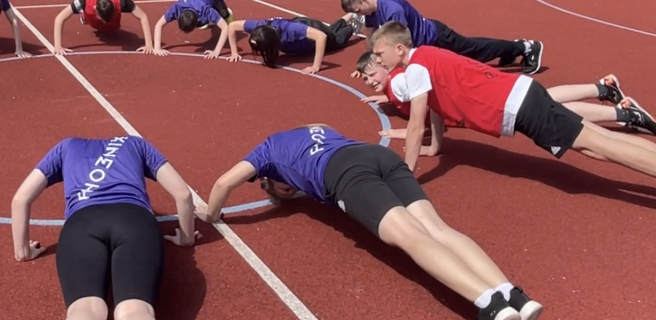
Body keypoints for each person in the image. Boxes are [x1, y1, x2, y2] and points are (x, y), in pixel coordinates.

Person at [369, 21, 656, 232]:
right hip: (521, 97)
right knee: (600, 142)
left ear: (399, 50)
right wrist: (437, 148)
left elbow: (416, 126)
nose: (379, 60)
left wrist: (407, 174)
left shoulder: (414, 69)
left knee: (600, 146)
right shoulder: (426, 59)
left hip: (519, 106)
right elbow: (434, 106)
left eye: (381, 54)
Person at [201, 124, 541, 320]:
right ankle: (513, 295)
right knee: (437, 228)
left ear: (270, 180)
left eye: (280, 191)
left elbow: (223, 183)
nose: (287, 192)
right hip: (376, 155)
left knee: (410, 237)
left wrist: (211, 215)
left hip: (344, 173)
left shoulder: (265, 153)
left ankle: (491, 304)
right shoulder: (311, 128)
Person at [11, 136, 200, 320]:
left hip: (82, 224)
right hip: (135, 221)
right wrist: (186, 237)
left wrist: (23, 250)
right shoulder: (136, 143)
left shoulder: (65, 147)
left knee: (84, 308)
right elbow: (183, 194)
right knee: (134, 310)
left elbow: (21, 199)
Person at [353, 52, 656, 155]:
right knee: (550, 98)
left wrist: (408, 135)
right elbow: (411, 95)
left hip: (493, 100)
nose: (369, 80)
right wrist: (383, 90)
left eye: (372, 71)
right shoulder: (397, 81)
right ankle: (604, 90)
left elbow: (419, 112)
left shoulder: (401, 82)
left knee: (572, 128)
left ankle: (620, 110)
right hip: (500, 91)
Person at [341, 0, 544, 74]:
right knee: (472, 54)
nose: (359, 15)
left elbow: (400, 41)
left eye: (358, 10)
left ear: (363, 1)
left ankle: (525, 47)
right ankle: (511, 49)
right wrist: (370, 61)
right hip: (426, 41)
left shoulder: (392, 8)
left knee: (474, 53)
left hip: (436, 37)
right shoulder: (371, 12)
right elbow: (371, 37)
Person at [220, 14, 362, 74]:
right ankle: (348, 16)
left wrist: (315, 66)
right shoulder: (259, 28)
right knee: (331, 30)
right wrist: (234, 52)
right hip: (302, 32)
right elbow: (232, 26)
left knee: (336, 40)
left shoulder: (290, 30)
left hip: (311, 29)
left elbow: (321, 37)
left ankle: (354, 26)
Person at [51, 0, 156, 55]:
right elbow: (59, 18)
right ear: (96, 9)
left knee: (113, 28)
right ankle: (84, 16)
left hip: (113, 23)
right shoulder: (83, 1)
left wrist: (148, 44)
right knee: (91, 19)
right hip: (90, 16)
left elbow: (142, 16)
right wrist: (58, 46)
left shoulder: (122, 2)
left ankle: (110, 22)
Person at [151, 0, 234, 57]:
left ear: (197, 19)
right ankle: (206, 22)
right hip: (195, 5)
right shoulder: (176, 8)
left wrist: (216, 51)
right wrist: (157, 48)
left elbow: (225, 28)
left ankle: (226, 15)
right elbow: (159, 25)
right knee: (207, 20)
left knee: (224, 14)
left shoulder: (205, 10)